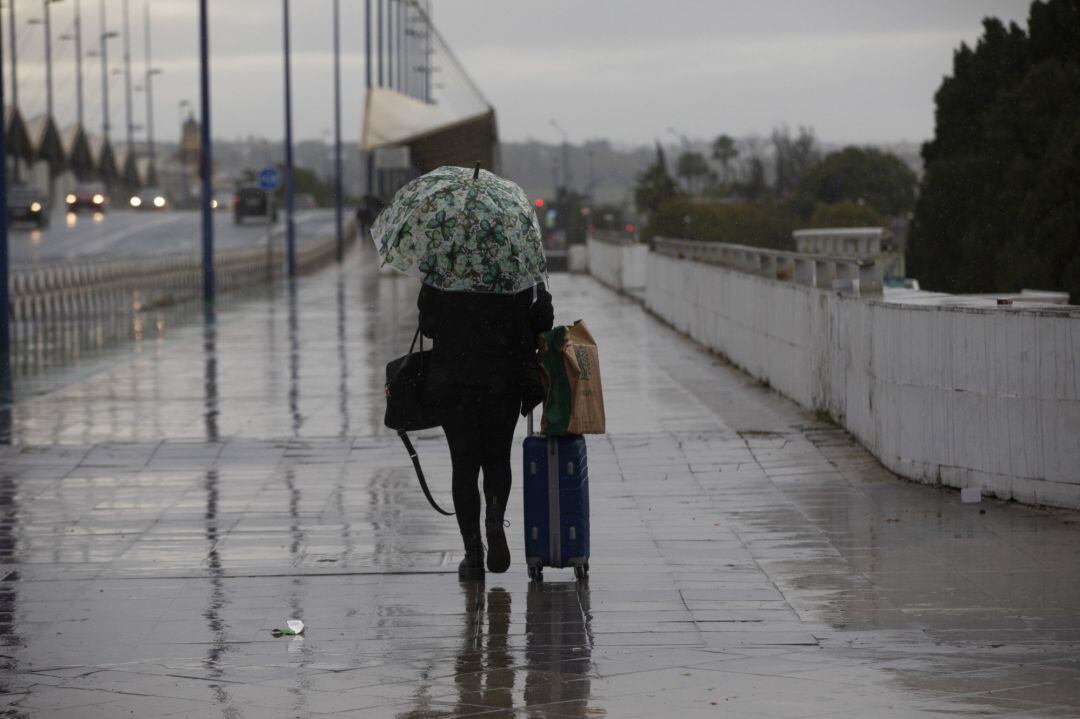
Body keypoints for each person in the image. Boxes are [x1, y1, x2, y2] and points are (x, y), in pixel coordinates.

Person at [419, 281, 554, 580]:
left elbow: (427, 324)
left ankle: (473, 554)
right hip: (503, 375)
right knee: (497, 458)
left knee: (464, 465)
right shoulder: (514, 256)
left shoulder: (445, 254)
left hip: (453, 376)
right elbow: (542, 317)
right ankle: (494, 516)